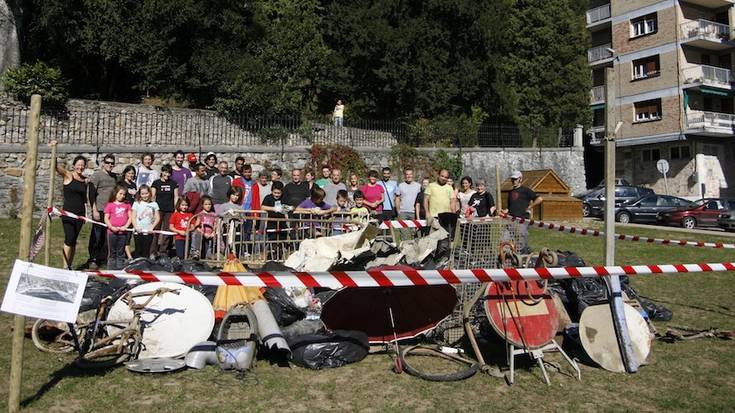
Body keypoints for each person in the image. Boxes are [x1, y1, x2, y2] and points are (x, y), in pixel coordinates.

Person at [51, 141, 91, 269]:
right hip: (68, 213)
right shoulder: (68, 175)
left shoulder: (85, 180)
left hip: (79, 215)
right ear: (74, 166)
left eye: (82, 165)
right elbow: (55, 166)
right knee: (69, 238)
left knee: (74, 241)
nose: (80, 167)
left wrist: (85, 213)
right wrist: (54, 149)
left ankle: (69, 265)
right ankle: (64, 265)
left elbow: (84, 199)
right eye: (78, 165)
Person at [87, 153, 118, 268]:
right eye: (108, 163)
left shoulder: (114, 177)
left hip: (110, 211)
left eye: (112, 163)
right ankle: (93, 258)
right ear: (103, 163)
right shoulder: (97, 176)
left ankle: (103, 258)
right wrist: (94, 209)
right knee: (96, 235)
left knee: (107, 235)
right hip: (99, 209)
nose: (110, 165)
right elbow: (91, 193)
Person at [503, 170, 543, 252]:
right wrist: (504, 211)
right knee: (504, 241)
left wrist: (530, 207)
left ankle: (522, 260)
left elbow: (539, 199)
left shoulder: (526, 190)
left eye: (515, 179)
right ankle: (506, 261)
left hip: (522, 220)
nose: (513, 181)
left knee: (520, 243)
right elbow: (509, 207)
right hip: (510, 220)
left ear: (520, 179)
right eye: (512, 179)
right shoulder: (510, 192)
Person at [151, 164, 179, 257]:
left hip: (169, 210)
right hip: (158, 210)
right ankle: (153, 251)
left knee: (167, 231)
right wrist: (152, 209)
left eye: (169, 173)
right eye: (166, 172)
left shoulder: (173, 184)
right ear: (162, 172)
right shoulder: (156, 183)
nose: (167, 174)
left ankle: (163, 252)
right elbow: (152, 196)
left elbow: (176, 197)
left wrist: (176, 209)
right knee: (156, 230)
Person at [104, 185, 132, 270]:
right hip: (111, 232)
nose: (122, 196)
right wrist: (111, 227)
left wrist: (126, 226)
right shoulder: (110, 205)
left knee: (121, 251)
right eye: (120, 194)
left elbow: (130, 217)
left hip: (123, 233)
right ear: (115, 193)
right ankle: (111, 270)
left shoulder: (127, 205)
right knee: (112, 252)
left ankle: (119, 269)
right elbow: (106, 218)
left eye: (124, 194)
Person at [132, 185, 160, 259]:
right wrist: (136, 227)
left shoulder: (154, 204)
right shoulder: (136, 203)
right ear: (140, 194)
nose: (145, 195)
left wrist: (152, 227)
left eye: (146, 193)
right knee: (138, 250)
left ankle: (145, 267)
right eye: (142, 194)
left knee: (146, 251)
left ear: (150, 193)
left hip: (148, 231)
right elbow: (133, 217)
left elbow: (157, 218)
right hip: (138, 231)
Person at [261, 181, 288, 259]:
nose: (276, 195)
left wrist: (286, 209)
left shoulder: (284, 197)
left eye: (278, 193)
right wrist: (273, 208)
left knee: (282, 240)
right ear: (272, 191)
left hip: (282, 222)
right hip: (271, 223)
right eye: (275, 192)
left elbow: (288, 207)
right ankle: (271, 258)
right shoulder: (268, 197)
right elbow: (263, 207)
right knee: (272, 240)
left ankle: (280, 258)